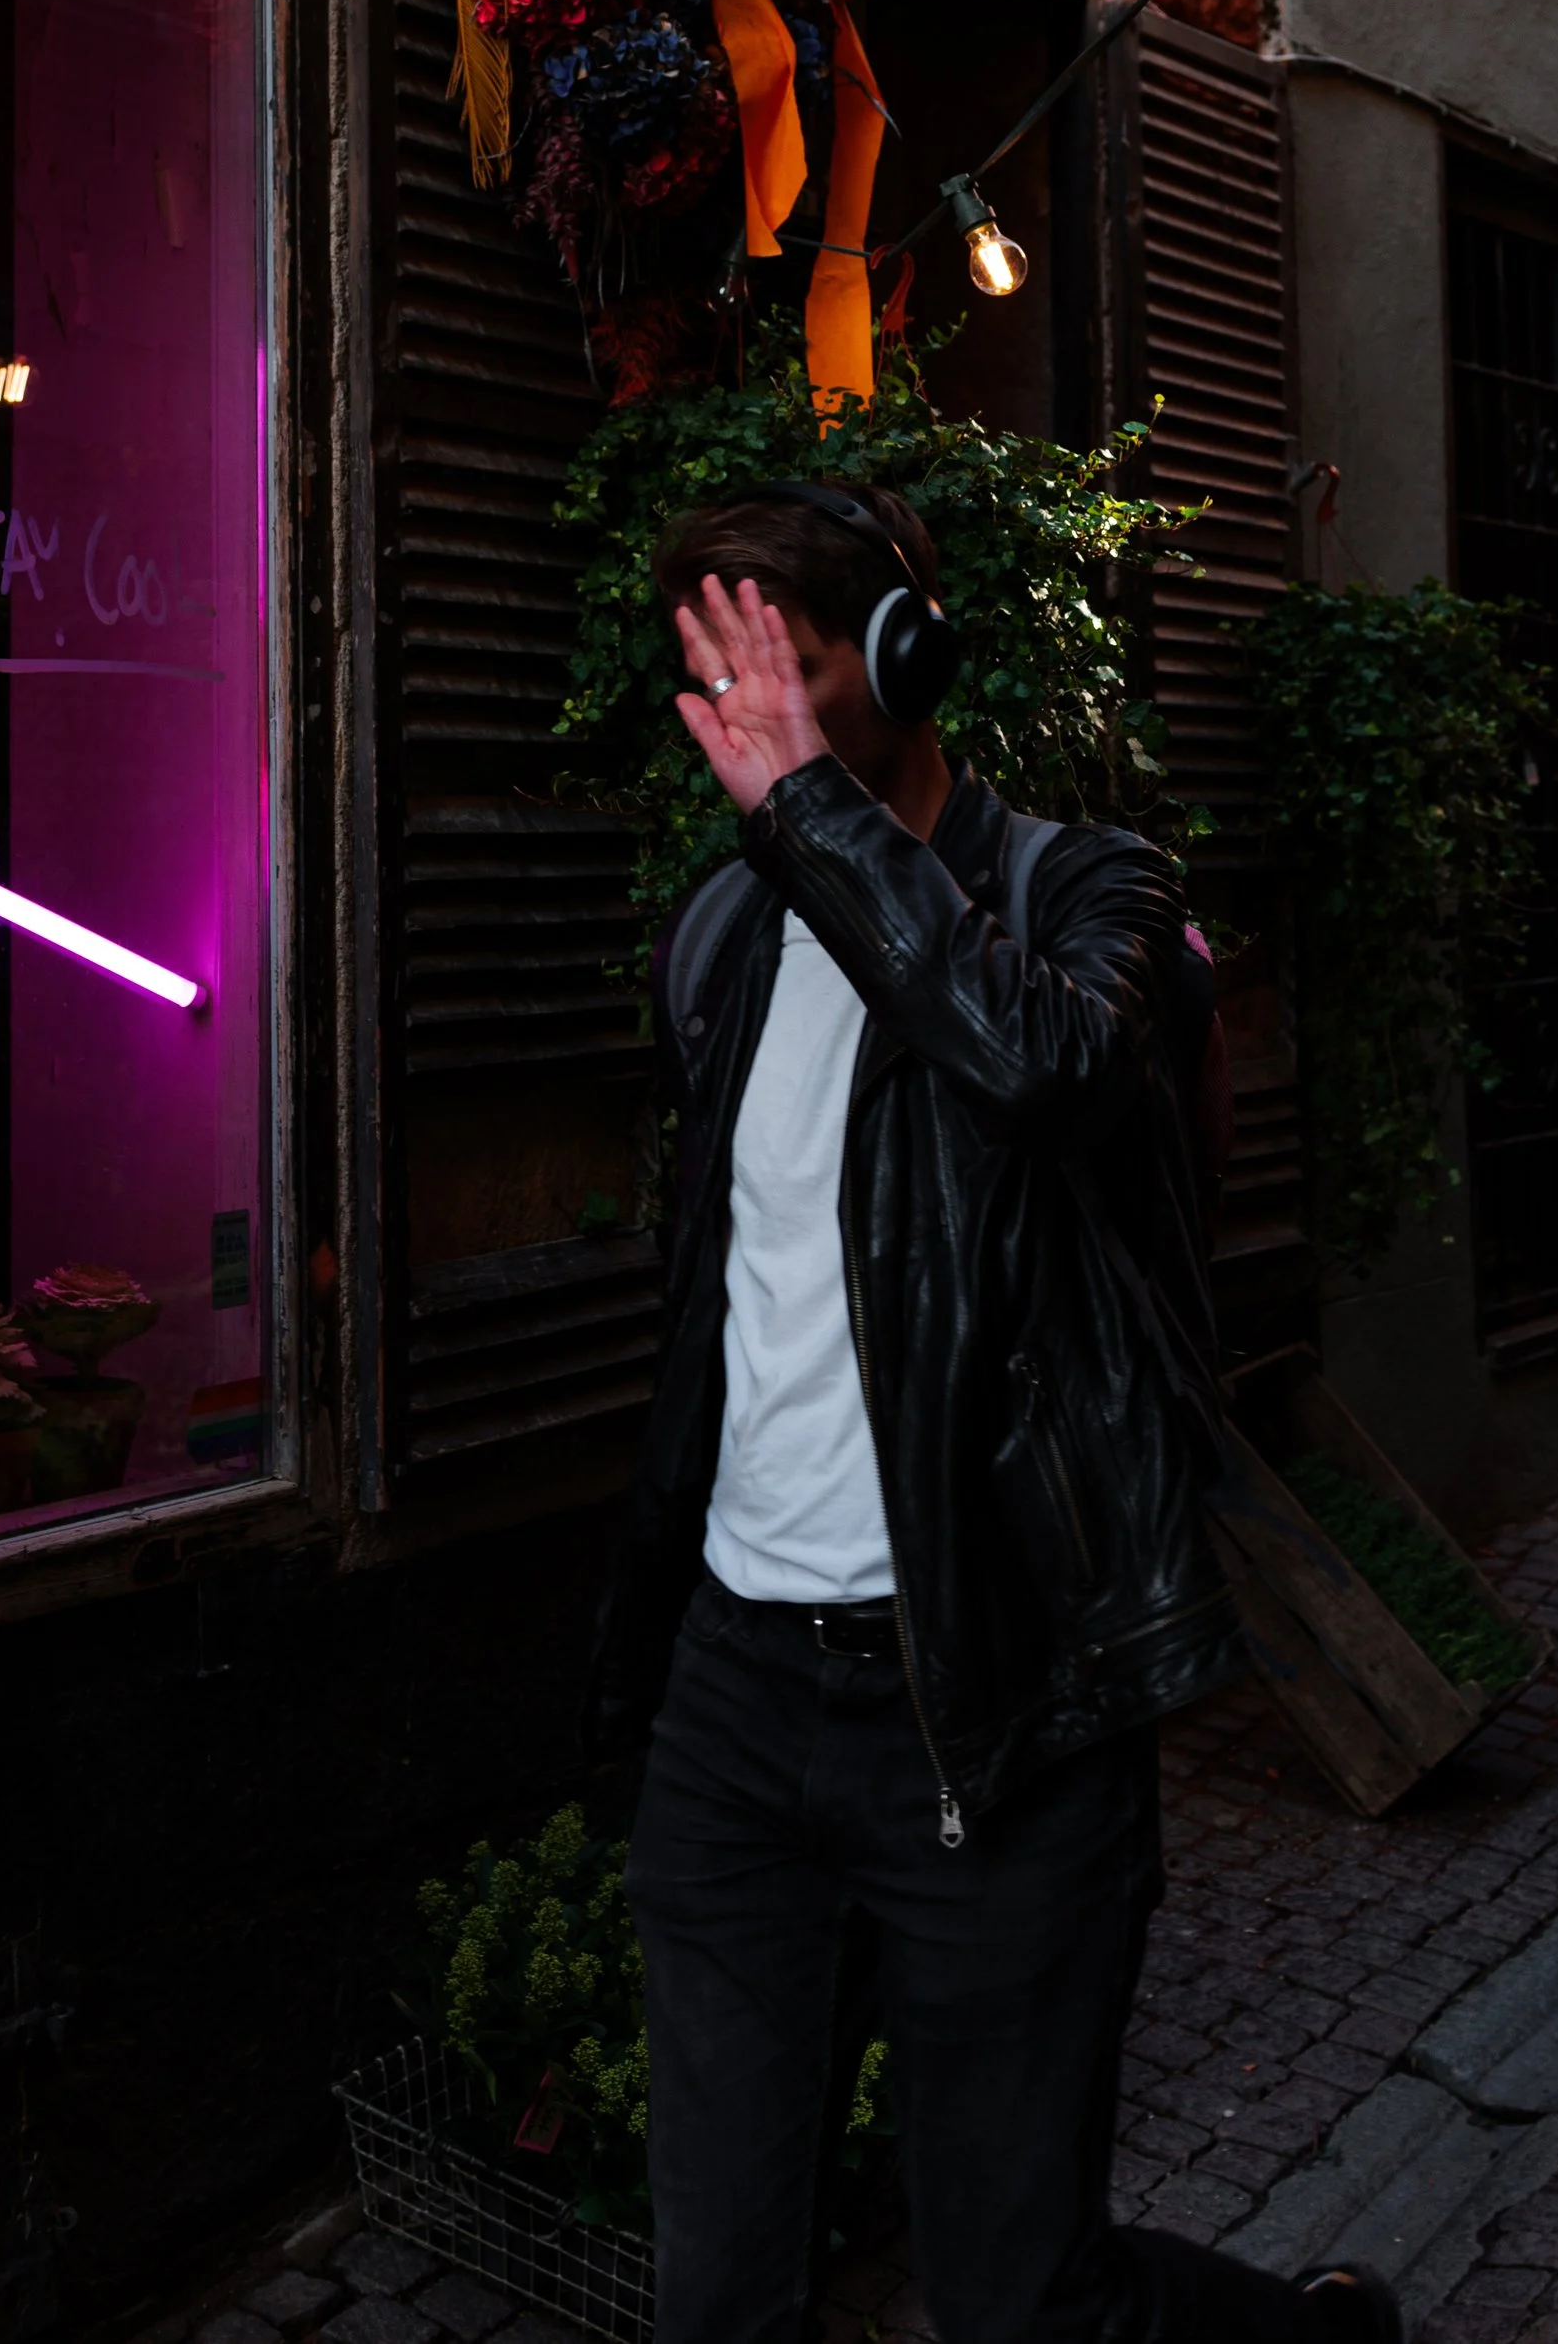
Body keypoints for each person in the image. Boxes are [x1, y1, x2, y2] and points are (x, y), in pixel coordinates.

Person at [586, 480, 1402, 2344]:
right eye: (717, 672)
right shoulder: (716, 941)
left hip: (998, 1705)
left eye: (782, 663)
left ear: (903, 649)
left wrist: (813, 814)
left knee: (1020, 2297)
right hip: (738, 1701)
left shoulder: (1086, 892)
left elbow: (1043, 1071)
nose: (749, 712)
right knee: (716, 2294)